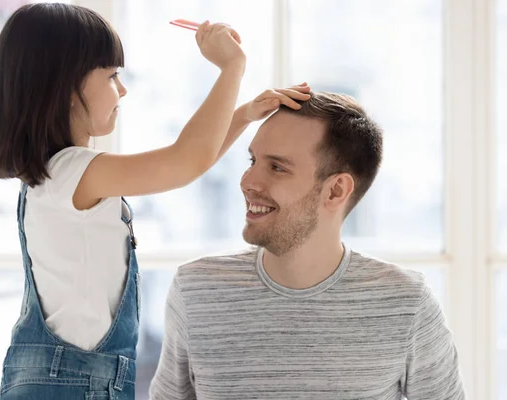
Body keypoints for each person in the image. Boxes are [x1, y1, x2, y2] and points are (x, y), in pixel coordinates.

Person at [0, 3, 267, 398]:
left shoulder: (55, 176)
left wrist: (244, 114)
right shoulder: (75, 171)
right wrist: (232, 68)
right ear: (65, 86)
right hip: (76, 384)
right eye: (112, 75)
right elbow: (184, 161)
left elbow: (188, 161)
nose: (123, 88)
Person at [149, 91, 466, 399]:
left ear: (335, 191)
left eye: (277, 167)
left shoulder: (406, 302)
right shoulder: (196, 290)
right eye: (253, 160)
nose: (247, 181)